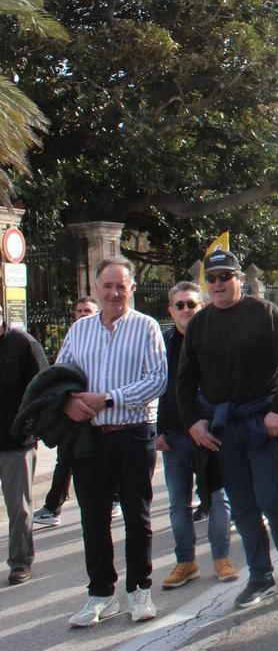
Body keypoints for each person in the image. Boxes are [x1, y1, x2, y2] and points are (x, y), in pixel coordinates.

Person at [176, 249, 278, 609]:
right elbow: (184, 379)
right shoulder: (200, 324)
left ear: (239, 279)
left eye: (225, 276)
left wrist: (277, 410)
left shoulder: (264, 312)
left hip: (262, 424)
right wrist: (192, 421)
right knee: (243, 507)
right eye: (213, 278)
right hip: (223, 430)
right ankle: (261, 576)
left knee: (271, 498)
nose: (218, 283)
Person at [56, 256, 168, 627]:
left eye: (121, 285)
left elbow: (157, 380)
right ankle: (101, 593)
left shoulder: (147, 327)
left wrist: (108, 398)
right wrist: (70, 401)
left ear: (132, 288)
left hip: (133, 433)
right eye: (107, 285)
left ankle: (139, 590)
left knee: (137, 516)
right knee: (93, 518)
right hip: (90, 439)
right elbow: (59, 375)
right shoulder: (80, 330)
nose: (114, 292)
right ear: (96, 288)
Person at [156, 282, 237, 590]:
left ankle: (221, 558)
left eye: (191, 304)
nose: (186, 310)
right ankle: (186, 562)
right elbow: (160, 390)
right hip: (175, 436)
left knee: (217, 498)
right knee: (178, 504)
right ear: (171, 310)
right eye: (180, 305)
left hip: (210, 434)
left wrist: (215, 425)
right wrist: (160, 431)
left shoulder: (215, 340)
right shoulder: (162, 344)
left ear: (201, 307)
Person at [32, 295, 98, 527]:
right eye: (79, 311)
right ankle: (53, 506)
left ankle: (113, 498)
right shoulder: (74, 337)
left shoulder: (102, 337)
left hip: (98, 410)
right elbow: (59, 371)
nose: (82, 314)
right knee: (65, 458)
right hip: (72, 410)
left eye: (87, 311)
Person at [0, 316, 49, 585]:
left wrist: (32, 428)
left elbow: (43, 389)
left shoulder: (23, 344)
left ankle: (20, 561)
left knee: (18, 507)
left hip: (14, 442)